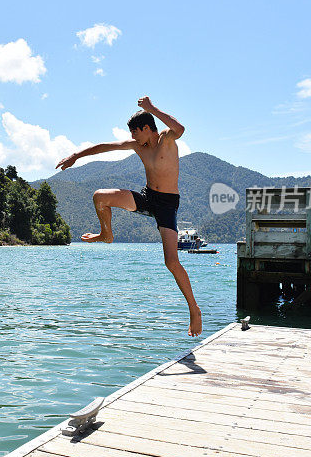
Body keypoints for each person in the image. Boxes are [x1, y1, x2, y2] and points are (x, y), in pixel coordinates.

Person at [56, 96, 202, 336]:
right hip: (147, 197)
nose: (133, 137)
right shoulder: (138, 146)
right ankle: (106, 234)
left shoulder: (167, 138)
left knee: (171, 262)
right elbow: (105, 147)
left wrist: (152, 108)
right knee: (99, 196)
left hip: (167, 204)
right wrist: (76, 155)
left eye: (135, 132)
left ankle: (194, 310)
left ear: (147, 128)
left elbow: (181, 128)